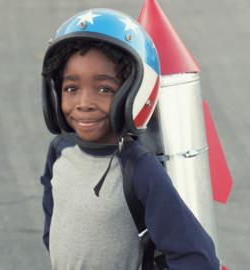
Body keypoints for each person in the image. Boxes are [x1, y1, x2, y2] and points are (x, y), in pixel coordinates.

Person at [39, 8, 220, 270]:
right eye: (71, 88)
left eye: (104, 89)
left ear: (135, 92)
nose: (84, 103)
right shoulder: (60, 150)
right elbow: (54, 225)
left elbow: (196, 256)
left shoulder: (138, 168)